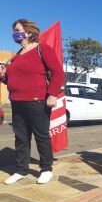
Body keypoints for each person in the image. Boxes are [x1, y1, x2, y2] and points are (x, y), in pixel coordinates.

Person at [0, 19, 65, 185]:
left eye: (17, 30)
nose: (14, 33)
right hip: (16, 101)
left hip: (37, 102)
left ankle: (46, 169)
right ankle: (21, 170)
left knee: (41, 136)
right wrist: (3, 76)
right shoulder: (16, 55)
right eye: (14, 30)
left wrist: (52, 94)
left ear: (29, 32)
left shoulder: (42, 49)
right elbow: (11, 80)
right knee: (21, 138)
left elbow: (58, 73)